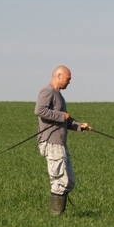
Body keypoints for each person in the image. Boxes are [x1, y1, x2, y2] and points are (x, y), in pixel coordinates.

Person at [34, 65, 92, 215]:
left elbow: (64, 120)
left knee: (69, 181)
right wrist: (61, 116)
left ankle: (59, 215)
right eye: (68, 78)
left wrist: (80, 126)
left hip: (60, 143)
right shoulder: (48, 91)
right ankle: (55, 218)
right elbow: (39, 110)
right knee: (60, 181)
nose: (69, 82)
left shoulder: (59, 95)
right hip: (51, 141)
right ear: (58, 76)